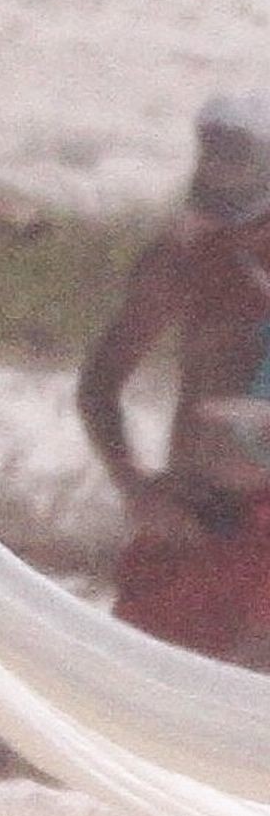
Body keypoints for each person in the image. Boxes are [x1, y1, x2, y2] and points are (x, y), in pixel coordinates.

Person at [80, 92, 270, 669]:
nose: (218, 167)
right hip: (193, 517)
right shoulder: (182, 261)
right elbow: (99, 385)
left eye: (236, 155)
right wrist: (135, 487)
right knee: (143, 685)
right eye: (212, 152)